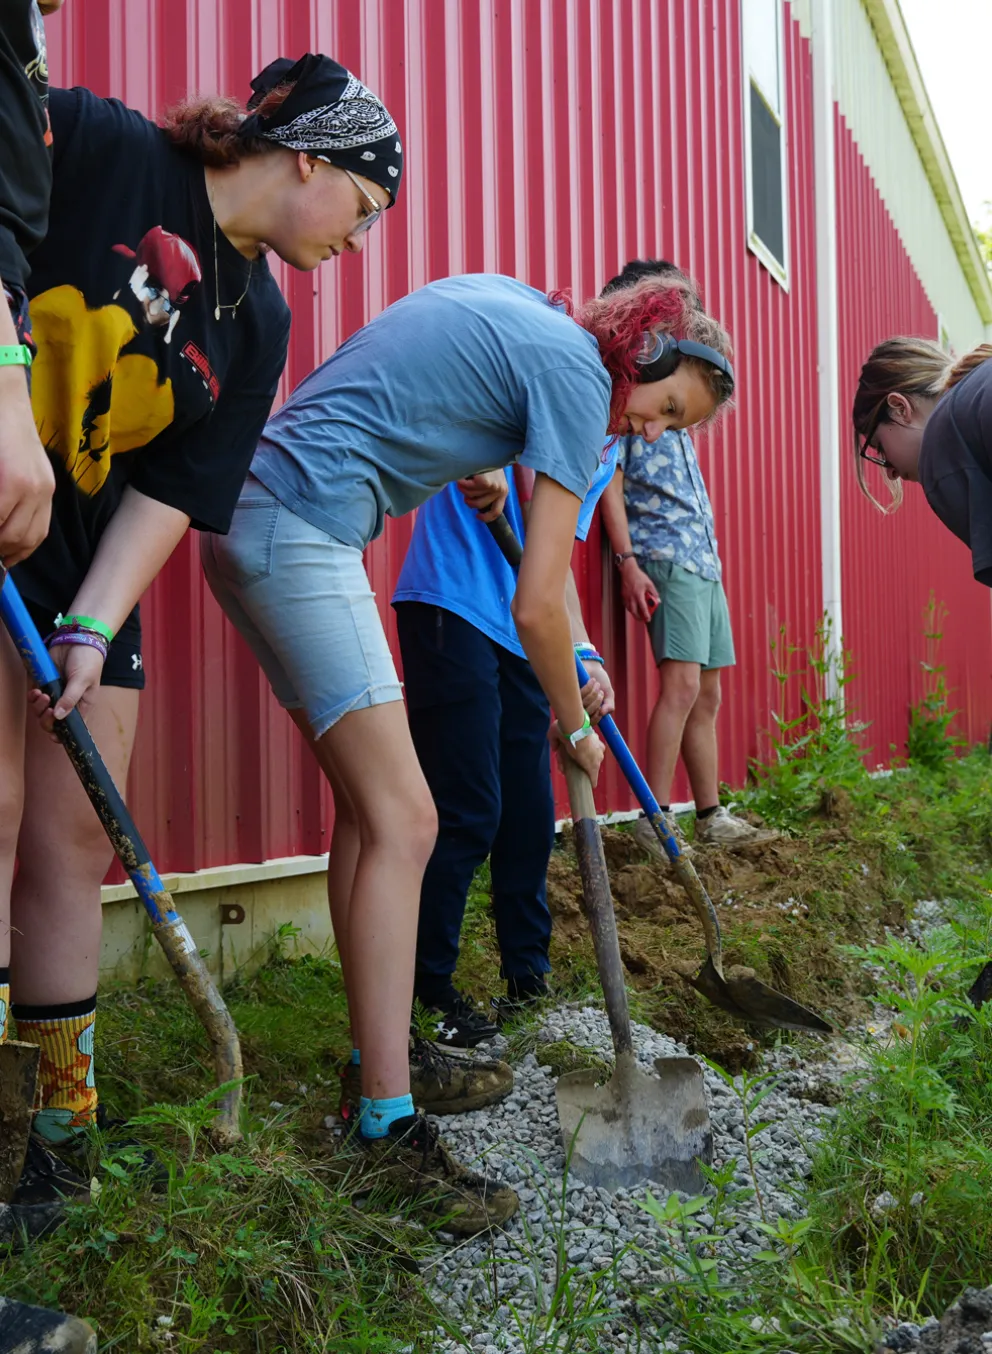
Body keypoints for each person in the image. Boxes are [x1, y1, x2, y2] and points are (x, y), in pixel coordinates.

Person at [202, 266, 734, 1233]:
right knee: (411, 819)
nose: (652, 431)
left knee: (371, 818)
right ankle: (386, 1132)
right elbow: (534, 599)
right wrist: (576, 724)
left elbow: (536, 575)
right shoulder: (578, 378)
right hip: (304, 525)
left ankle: (384, 1056)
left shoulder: (528, 313)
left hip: (253, 516)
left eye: (672, 427)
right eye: (665, 408)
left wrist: (572, 661)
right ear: (642, 358)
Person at [0, 51, 403, 1239]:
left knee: (76, 837)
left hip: (80, 565)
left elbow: (176, 484)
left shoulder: (258, 315)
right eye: (364, 208)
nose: (360, 241)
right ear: (306, 160)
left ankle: (54, 1134)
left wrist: (93, 622)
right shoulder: (97, 144)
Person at [390, 452, 618, 1053]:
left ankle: (526, 977)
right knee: (467, 811)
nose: (652, 429)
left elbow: (556, 558)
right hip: (451, 601)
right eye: (663, 410)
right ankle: (423, 993)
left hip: (526, 626)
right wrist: (483, 457)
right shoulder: (559, 372)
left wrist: (584, 651)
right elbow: (478, 396)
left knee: (528, 817)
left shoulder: (609, 447)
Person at [599, 258, 764, 855]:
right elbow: (609, 481)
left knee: (708, 693)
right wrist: (627, 560)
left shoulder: (680, 404)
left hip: (703, 559)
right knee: (682, 686)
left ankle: (710, 814)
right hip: (665, 555)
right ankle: (654, 816)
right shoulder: (632, 403)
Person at [852, 337, 992, 586]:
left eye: (881, 448)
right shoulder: (980, 388)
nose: (892, 473)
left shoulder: (943, 443)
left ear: (899, 408)